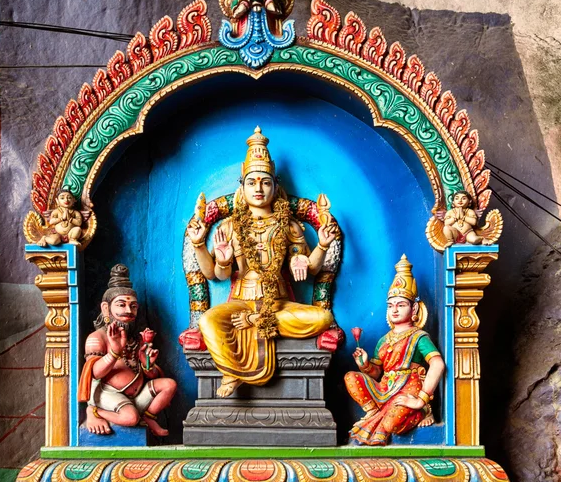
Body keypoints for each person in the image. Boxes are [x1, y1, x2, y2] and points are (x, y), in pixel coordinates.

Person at [186, 126, 336, 398]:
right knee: (208, 321)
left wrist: (321, 246)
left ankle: (256, 321)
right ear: (241, 187)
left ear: (275, 187)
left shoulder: (288, 226)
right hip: (239, 303)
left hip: (277, 304)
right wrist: (207, 250)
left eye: (265, 182)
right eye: (252, 181)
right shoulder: (230, 226)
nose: (258, 188)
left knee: (322, 317)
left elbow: (309, 269)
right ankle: (232, 372)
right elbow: (215, 275)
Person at [344, 255, 445, 446]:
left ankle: (422, 411)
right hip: (385, 388)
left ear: (414, 309)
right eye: (391, 306)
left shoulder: (418, 337)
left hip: (408, 389)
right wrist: (365, 365)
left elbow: (437, 364)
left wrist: (420, 400)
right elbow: (377, 372)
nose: (395, 310)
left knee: (390, 424)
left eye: (401, 305)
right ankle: (374, 413)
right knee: (350, 377)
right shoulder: (384, 340)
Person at [78, 264, 177, 436]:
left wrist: (149, 365)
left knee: (169, 385)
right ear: (106, 308)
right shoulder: (98, 337)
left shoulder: (135, 338)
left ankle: (148, 417)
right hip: (109, 395)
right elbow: (94, 373)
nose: (128, 311)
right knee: (131, 418)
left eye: (133, 306)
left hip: (136, 396)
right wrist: (114, 352)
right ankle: (94, 412)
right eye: (121, 305)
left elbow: (149, 375)